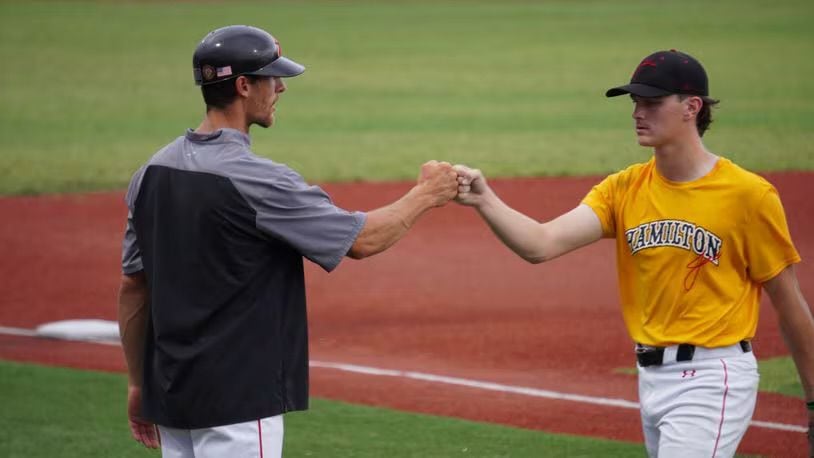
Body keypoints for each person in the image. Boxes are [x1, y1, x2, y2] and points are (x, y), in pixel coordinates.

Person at [117, 25, 458, 457]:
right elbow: (362, 240)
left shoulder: (150, 173)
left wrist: (136, 382)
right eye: (271, 78)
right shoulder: (259, 180)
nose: (280, 87)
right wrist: (428, 193)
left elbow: (134, 286)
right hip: (237, 402)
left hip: (172, 396)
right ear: (243, 86)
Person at [453, 49, 814, 457]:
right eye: (636, 102)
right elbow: (541, 243)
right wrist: (486, 201)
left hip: (714, 376)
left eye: (652, 102)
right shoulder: (623, 189)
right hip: (652, 379)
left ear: (691, 107)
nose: (638, 112)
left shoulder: (748, 196)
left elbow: (790, 304)